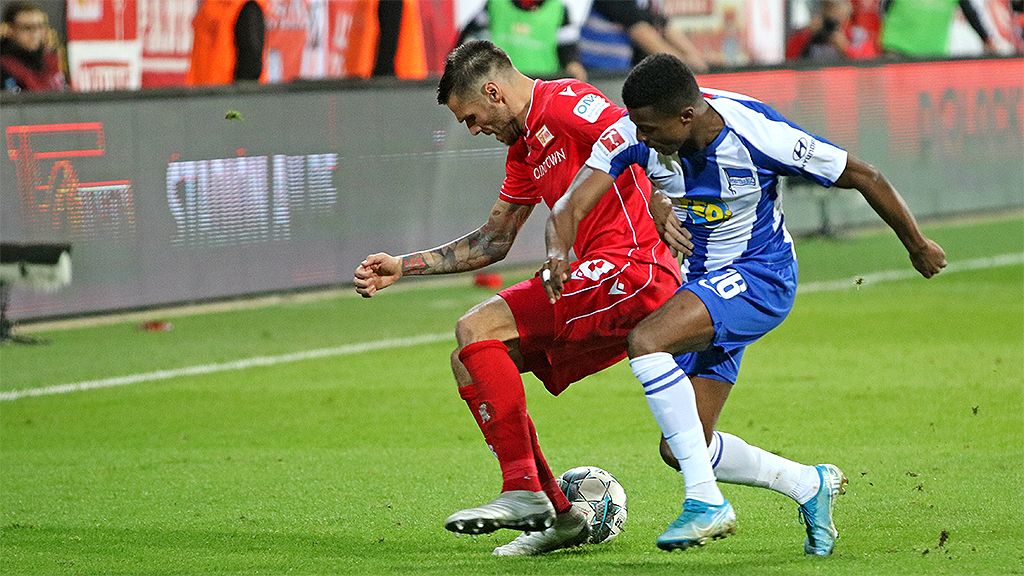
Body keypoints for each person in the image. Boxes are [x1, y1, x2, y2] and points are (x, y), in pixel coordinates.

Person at [541, 54, 947, 555]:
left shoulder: (757, 133)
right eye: (637, 127)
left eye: (650, 129)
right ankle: (808, 484)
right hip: (703, 289)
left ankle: (705, 502)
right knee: (681, 446)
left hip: (761, 276)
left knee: (647, 340)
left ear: (686, 116)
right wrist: (558, 251)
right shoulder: (633, 132)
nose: (640, 137)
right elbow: (570, 205)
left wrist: (916, 245)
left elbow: (865, 174)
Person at [353, 40, 681, 556]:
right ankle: (561, 514)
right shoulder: (525, 148)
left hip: (634, 268)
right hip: (601, 280)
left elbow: (643, 136)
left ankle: (522, 489)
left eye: (471, 117)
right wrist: (404, 265)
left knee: (475, 327)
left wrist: (662, 199)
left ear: (493, 92)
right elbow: (494, 240)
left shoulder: (568, 103)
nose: (474, 129)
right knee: (470, 360)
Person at [457, 0, 587, 81]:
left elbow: (567, 46)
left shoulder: (559, 9)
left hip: (544, 82)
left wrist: (573, 63)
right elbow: (470, 35)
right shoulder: (495, 4)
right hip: (502, 81)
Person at [580, 0, 709, 73]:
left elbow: (663, 24)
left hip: (621, 68)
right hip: (598, 70)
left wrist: (695, 56)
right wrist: (683, 64)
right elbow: (640, 31)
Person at [186, 0, 267, 86]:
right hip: (204, 89)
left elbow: (251, 62)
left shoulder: (247, 7)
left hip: (226, 90)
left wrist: (238, 92)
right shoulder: (210, 7)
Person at [881, 0, 996, 57]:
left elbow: (969, 12)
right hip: (898, 47)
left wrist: (986, 39)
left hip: (933, 52)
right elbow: (885, 7)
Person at [0, 1, 66, 93]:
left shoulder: (51, 61)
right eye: (28, 28)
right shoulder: (4, 67)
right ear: (10, 30)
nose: (35, 34)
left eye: (40, 27)